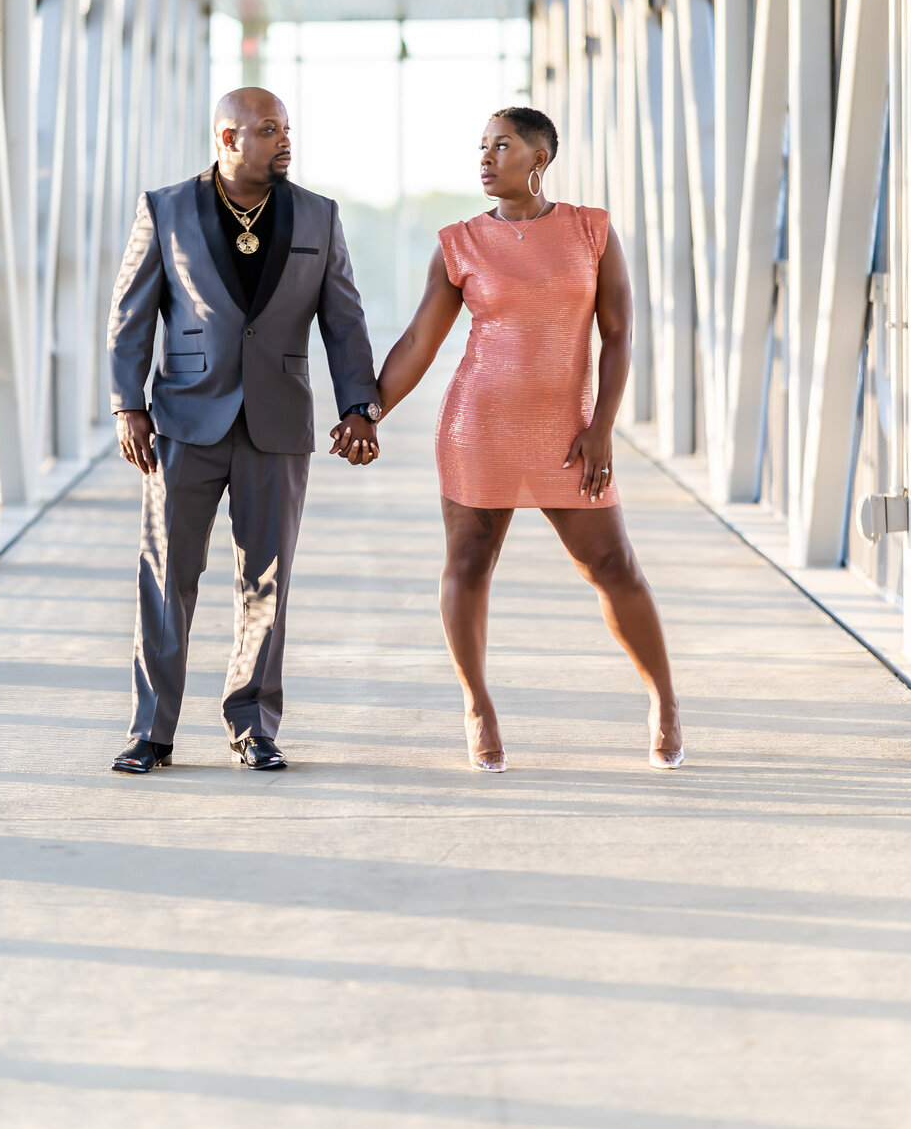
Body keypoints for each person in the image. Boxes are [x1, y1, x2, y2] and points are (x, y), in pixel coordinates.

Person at [343, 106, 683, 774]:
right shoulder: (460, 242)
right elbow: (419, 341)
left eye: (503, 145)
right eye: (482, 146)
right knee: (469, 564)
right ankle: (476, 706)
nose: (487, 156)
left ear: (539, 158)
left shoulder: (593, 231)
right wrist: (367, 410)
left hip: (570, 431)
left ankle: (664, 700)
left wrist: (602, 429)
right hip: (478, 427)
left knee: (612, 568)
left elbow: (618, 336)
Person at [108, 87, 382, 774]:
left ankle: (252, 725)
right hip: (182, 421)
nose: (284, 139)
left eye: (286, 126)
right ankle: (151, 732)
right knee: (169, 577)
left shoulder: (319, 214)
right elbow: (130, 315)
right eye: (267, 129)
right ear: (226, 139)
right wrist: (127, 405)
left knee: (267, 581)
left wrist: (359, 406)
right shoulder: (165, 209)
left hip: (278, 420)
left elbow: (342, 319)